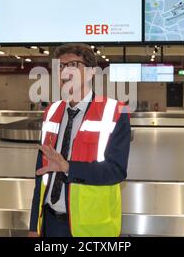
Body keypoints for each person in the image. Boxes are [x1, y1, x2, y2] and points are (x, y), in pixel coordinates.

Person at [28, 43, 131, 237]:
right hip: (50, 223)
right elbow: (41, 174)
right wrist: (34, 225)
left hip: (92, 229)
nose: (65, 71)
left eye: (73, 65)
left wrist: (69, 168)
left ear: (92, 72)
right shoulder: (51, 112)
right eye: (60, 66)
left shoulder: (114, 112)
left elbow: (116, 171)